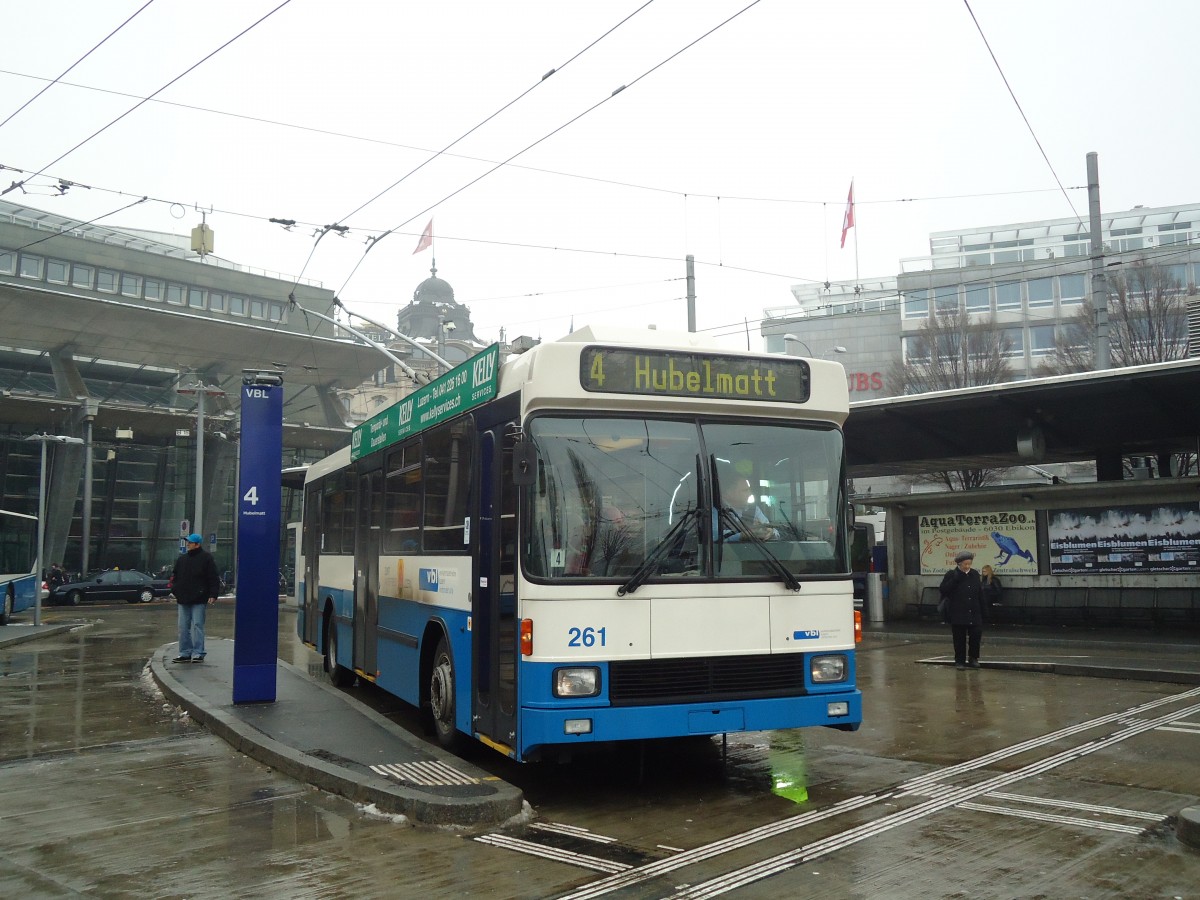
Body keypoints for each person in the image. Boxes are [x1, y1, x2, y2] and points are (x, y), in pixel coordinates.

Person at [171, 533, 221, 663]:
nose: (188, 544)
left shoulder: (206, 558)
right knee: (183, 627)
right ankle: (185, 653)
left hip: (199, 598)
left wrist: (213, 594)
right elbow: (174, 576)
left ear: (197, 544)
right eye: (187, 542)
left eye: (190, 542)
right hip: (183, 598)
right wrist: (175, 590)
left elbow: (213, 577)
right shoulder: (182, 559)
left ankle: (198, 652)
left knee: (198, 625)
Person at [939, 550, 985, 670]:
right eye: (965, 564)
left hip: (974, 611)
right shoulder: (951, 574)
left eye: (969, 564)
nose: (967, 566)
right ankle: (959, 660)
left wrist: (984, 611)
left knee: (975, 636)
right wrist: (956, 579)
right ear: (959, 564)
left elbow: (980, 593)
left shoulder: (974, 574)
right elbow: (944, 590)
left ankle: (973, 658)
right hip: (958, 612)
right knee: (959, 639)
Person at [717, 477, 779, 542]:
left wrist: (770, 532)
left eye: (749, 490)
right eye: (745, 490)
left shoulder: (754, 510)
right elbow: (714, 536)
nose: (749, 494)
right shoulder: (717, 510)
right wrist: (744, 535)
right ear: (729, 493)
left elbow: (774, 531)